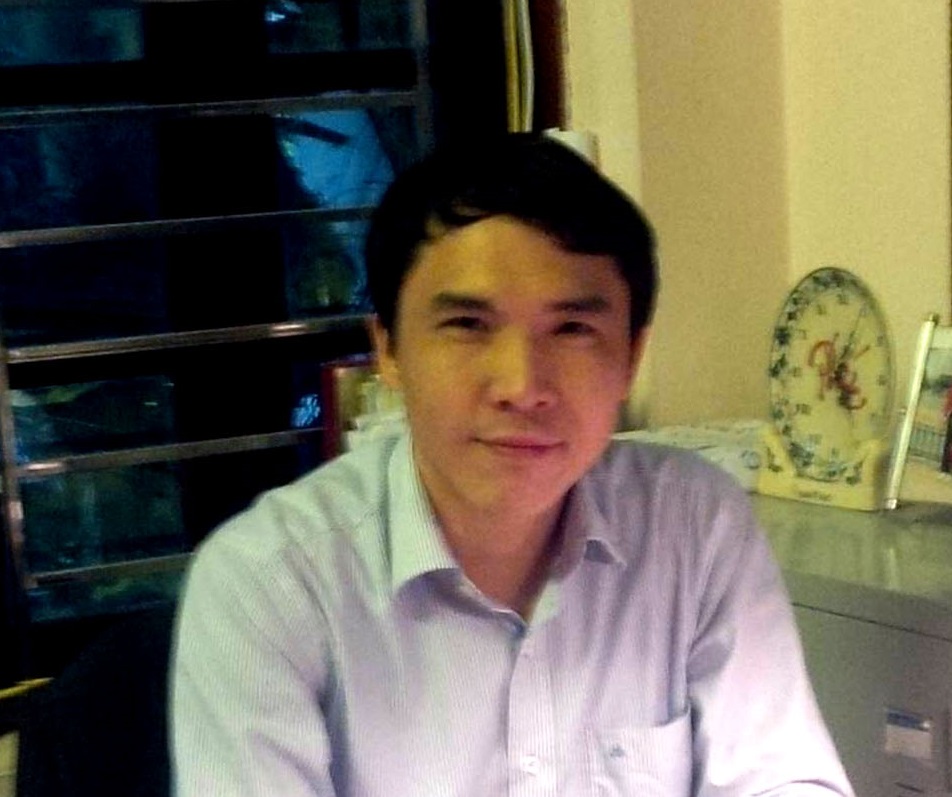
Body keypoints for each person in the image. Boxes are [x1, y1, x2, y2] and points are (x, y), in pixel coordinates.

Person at [171, 134, 853, 796]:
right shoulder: (269, 582)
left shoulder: (694, 526)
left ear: (630, 357)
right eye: (467, 325)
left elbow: (781, 776)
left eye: (572, 329)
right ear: (389, 350)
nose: (522, 386)